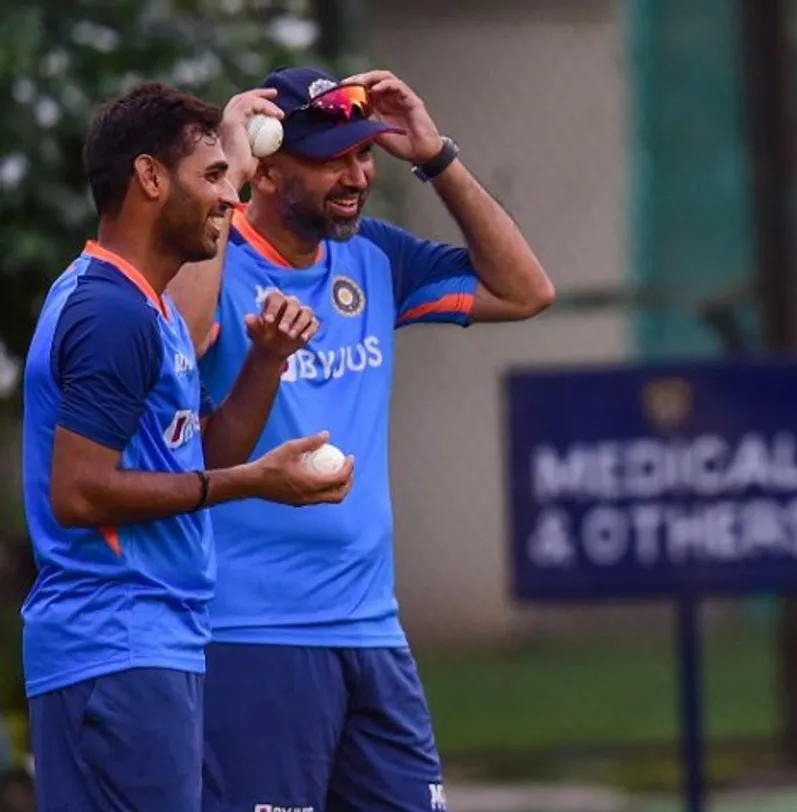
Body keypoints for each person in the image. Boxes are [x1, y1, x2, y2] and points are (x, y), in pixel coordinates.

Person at [167, 66, 554, 811]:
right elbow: (174, 336)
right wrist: (226, 173)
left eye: (364, 155)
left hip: (373, 633)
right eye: (331, 159)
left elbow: (525, 290)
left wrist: (435, 157)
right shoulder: (215, 266)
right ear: (269, 165)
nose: (356, 176)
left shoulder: (375, 257)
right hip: (252, 635)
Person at [21, 82, 356, 811]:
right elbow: (78, 492)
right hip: (116, 642)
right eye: (212, 176)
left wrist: (264, 362)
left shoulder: (153, 309)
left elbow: (198, 454)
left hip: (146, 643)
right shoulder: (112, 313)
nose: (232, 200)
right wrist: (253, 484)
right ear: (148, 177)